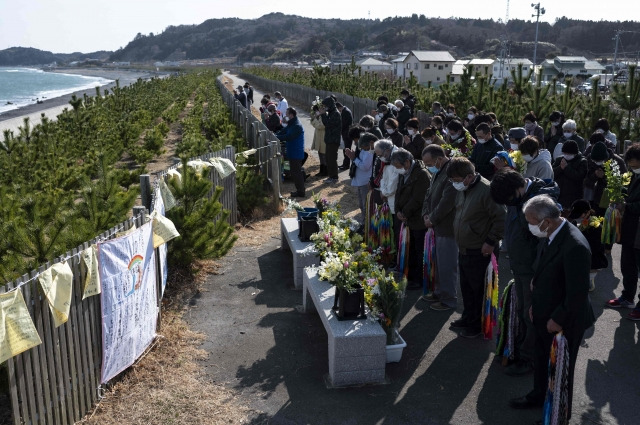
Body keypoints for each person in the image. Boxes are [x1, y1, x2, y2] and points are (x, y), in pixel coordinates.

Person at [509, 195, 594, 424]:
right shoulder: (550, 234)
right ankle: (538, 396)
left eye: (531, 222)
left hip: (563, 320)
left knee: (560, 370)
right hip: (543, 312)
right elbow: (542, 269)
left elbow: (578, 292)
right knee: (542, 358)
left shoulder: (574, 245)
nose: (530, 227)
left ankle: (559, 415)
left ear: (546, 220)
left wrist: (558, 318)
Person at [490, 169, 559, 376]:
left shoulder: (539, 203)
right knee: (521, 310)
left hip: (531, 271)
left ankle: (530, 359)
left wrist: (537, 275)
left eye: (509, 199)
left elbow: (543, 244)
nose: (508, 204)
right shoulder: (517, 198)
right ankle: (518, 349)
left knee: (531, 314)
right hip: (519, 267)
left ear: (519, 189)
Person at [447, 157, 506, 338]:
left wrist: (490, 241)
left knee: (478, 289)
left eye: (457, 181)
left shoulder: (487, 190)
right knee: (466, 287)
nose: (455, 184)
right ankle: (467, 317)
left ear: (469, 176)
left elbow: (500, 218)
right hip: (464, 246)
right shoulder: (464, 189)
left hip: (480, 249)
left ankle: (476, 325)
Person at [421, 144, 458, 311]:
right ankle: (438, 292)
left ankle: (448, 299)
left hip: (446, 226)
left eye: (429, 163)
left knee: (446, 265)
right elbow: (428, 194)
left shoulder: (451, 172)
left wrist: (432, 218)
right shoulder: (438, 172)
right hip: (435, 224)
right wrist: (425, 214)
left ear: (439, 159)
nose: (428, 166)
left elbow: (447, 202)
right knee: (436, 262)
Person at [606, 143, 640, 320]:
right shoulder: (633, 176)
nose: (632, 168)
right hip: (630, 230)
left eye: (635, 165)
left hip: (638, 231)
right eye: (630, 165)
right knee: (627, 266)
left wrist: (627, 206)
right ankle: (627, 297)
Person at [391, 148, 430, 289]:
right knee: (409, 249)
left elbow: (419, 198)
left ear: (407, 162)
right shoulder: (405, 173)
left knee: (418, 250)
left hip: (417, 220)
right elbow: (398, 192)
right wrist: (398, 210)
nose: (397, 170)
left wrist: (405, 212)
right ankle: (409, 276)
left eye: (398, 166)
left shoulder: (422, 175)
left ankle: (418, 279)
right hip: (406, 218)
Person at [568, 199, 607, 292]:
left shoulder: (596, 227)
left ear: (588, 212)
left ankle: (588, 278)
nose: (578, 217)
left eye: (580, 214)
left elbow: (595, 249)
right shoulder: (575, 222)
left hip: (592, 257)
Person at [584, 141, 626, 214]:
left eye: (599, 161)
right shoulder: (590, 160)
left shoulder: (618, 162)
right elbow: (586, 181)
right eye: (595, 161)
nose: (597, 162)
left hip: (613, 201)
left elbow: (623, 182)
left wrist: (604, 176)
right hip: (597, 199)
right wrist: (595, 175)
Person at [276, 107, 305, 198]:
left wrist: (276, 137)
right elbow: (284, 131)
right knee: (294, 172)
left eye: (287, 114)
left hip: (296, 152)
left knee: (297, 172)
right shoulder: (292, 124)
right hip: (292, 151)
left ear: (291, 115)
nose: (285, 116)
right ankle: (299, 190)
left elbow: (288, 136)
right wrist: (275, 134)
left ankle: (301, 191)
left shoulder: (296, 126)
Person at [346, 133, 376, 222]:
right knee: (361, 205)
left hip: (365, 182)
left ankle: (366, 224)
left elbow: (365, 166)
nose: (362, 149)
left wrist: (354, 158)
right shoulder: (363, 150)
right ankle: (363, 222)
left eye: (364, 147)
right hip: (359, 181)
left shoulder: (369, 152)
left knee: (366, 205)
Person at [552, 140, 588, 211]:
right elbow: (552, 174)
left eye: (569, 153)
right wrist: (560, 168)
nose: (566, 155)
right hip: (559, 195)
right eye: (565, 153)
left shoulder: (582, 161)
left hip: (574, 196)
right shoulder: (559, 160)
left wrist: (566, 168)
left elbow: (579, 176)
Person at [320, 96, 342, 184]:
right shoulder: (331, 113)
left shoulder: (336, 114)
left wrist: (323, 114)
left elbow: (327, 124)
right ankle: (331, 176)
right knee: (328, 159)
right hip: (329, 139)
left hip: (333, 140)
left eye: (326, 106)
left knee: (332, 159)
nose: (325, 107)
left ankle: (334, 177)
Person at [310, 104, 327, 177]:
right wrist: (315, 118)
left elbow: (320, 126)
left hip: (323, 137)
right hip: (319, 137)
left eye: (320, 109)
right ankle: (321, 170)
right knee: (320, 154)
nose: (319, 111)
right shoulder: (319, 116)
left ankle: (325, 171)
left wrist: (314, 119)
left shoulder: (325, 116)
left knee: (324, 155)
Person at [336, 102, 354, 170]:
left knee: (347, 150)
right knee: (345, 149)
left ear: (339, 107)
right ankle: (345, 164)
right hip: (345, 133)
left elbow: (344, 124)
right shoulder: (345, 110)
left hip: (347, 134)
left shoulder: (345, 112)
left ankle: (346, 165)